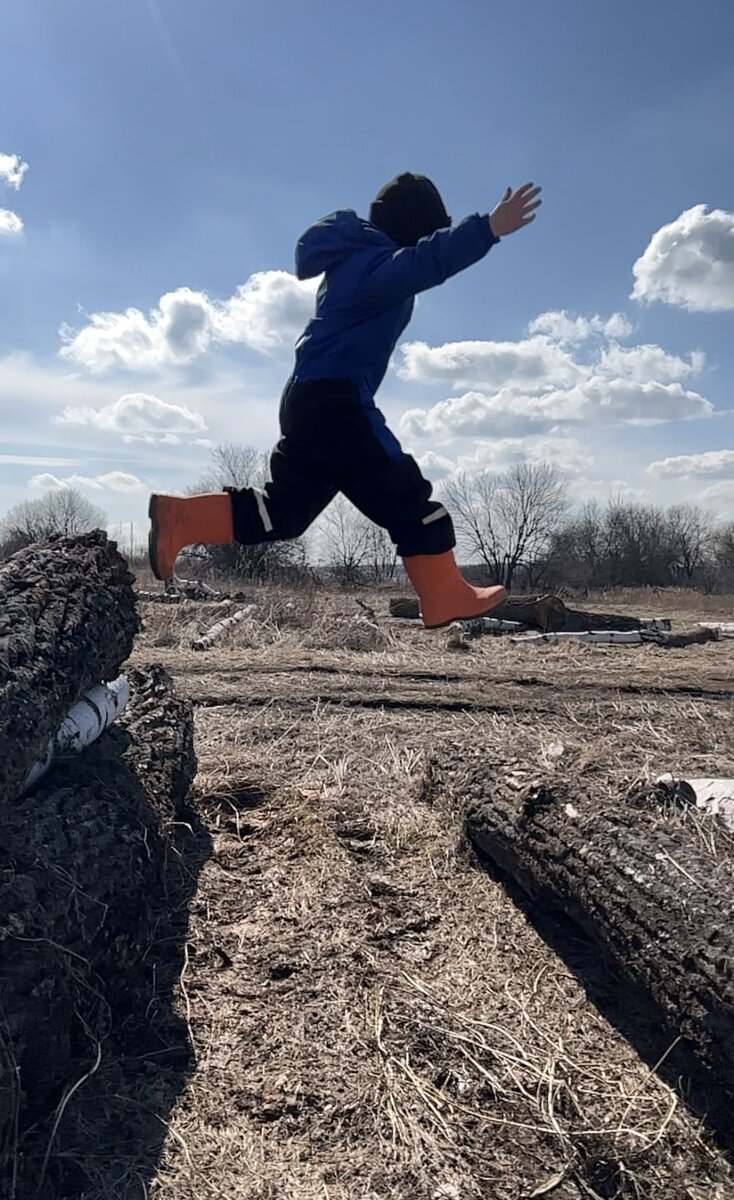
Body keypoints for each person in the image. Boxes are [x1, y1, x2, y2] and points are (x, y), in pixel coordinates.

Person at [148, 173, 541, 627]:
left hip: (308, 399)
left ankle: (180, 519)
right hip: (337, 402)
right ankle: (444, 595)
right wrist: (487, 228)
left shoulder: (353, 261)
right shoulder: (376, 266)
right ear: (414, 229)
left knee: (284, 511)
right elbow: (426, 262)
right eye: (429, 232)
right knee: (407, 496)